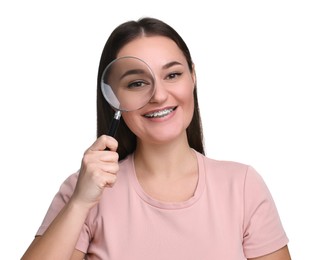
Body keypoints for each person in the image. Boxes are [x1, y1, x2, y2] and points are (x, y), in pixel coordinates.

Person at [22, 17, 291, 260]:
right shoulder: (83, 190)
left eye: (173, 75)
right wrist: (80, 203)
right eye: (137, 83)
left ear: (193, 77)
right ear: (114, 96)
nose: (159, 95)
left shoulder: (242, 187)